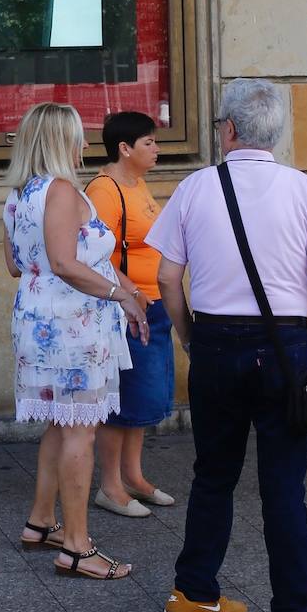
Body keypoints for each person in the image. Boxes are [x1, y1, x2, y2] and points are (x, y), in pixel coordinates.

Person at [148, 78, 307, 612]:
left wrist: (188, 336)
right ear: (274, 133)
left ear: (229, 130)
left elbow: (165, 278)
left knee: (213, 473)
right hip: (284, 345)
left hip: (212, 340)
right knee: (283, 484)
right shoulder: (302, 189)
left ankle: (195, 594)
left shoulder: (194, 187)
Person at [3, 102, 148, 580]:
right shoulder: (63, 191)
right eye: (77, 135)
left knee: (61, 424)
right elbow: (66, 262)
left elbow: (16, 265)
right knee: (80, 431)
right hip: (72, 328)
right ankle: (77, 547)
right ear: (59, 140)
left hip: (40, 320)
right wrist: (117, 295)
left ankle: (41, 521)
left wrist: (125, 289)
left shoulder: (19, 193)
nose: (85, 144)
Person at [86, 112, 175, 517]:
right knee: (121, 399)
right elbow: (96, 255)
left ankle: (134, 477)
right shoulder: (105, 190)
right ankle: (110, 486)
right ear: (124, 148)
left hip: (153, 305)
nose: (156, 149)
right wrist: (133, 293)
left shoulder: (136, 185)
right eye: (149, 143)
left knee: (141, 397)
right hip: (129, 308)